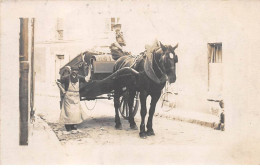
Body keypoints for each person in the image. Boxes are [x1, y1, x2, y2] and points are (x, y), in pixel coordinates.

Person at [56, 66, 91, 133]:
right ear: (71, 71)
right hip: (68, 96)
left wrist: (89, 70)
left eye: (76, 70)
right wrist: (62, 89)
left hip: (76, 96)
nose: (74, 72)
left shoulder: (79, 77)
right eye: (73, 70)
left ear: (77, 71)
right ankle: (68, 126)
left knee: (76, 112)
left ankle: (74, 125)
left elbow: (87, 79)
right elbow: (58, 82)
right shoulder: (66, 77)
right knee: (68, 112)